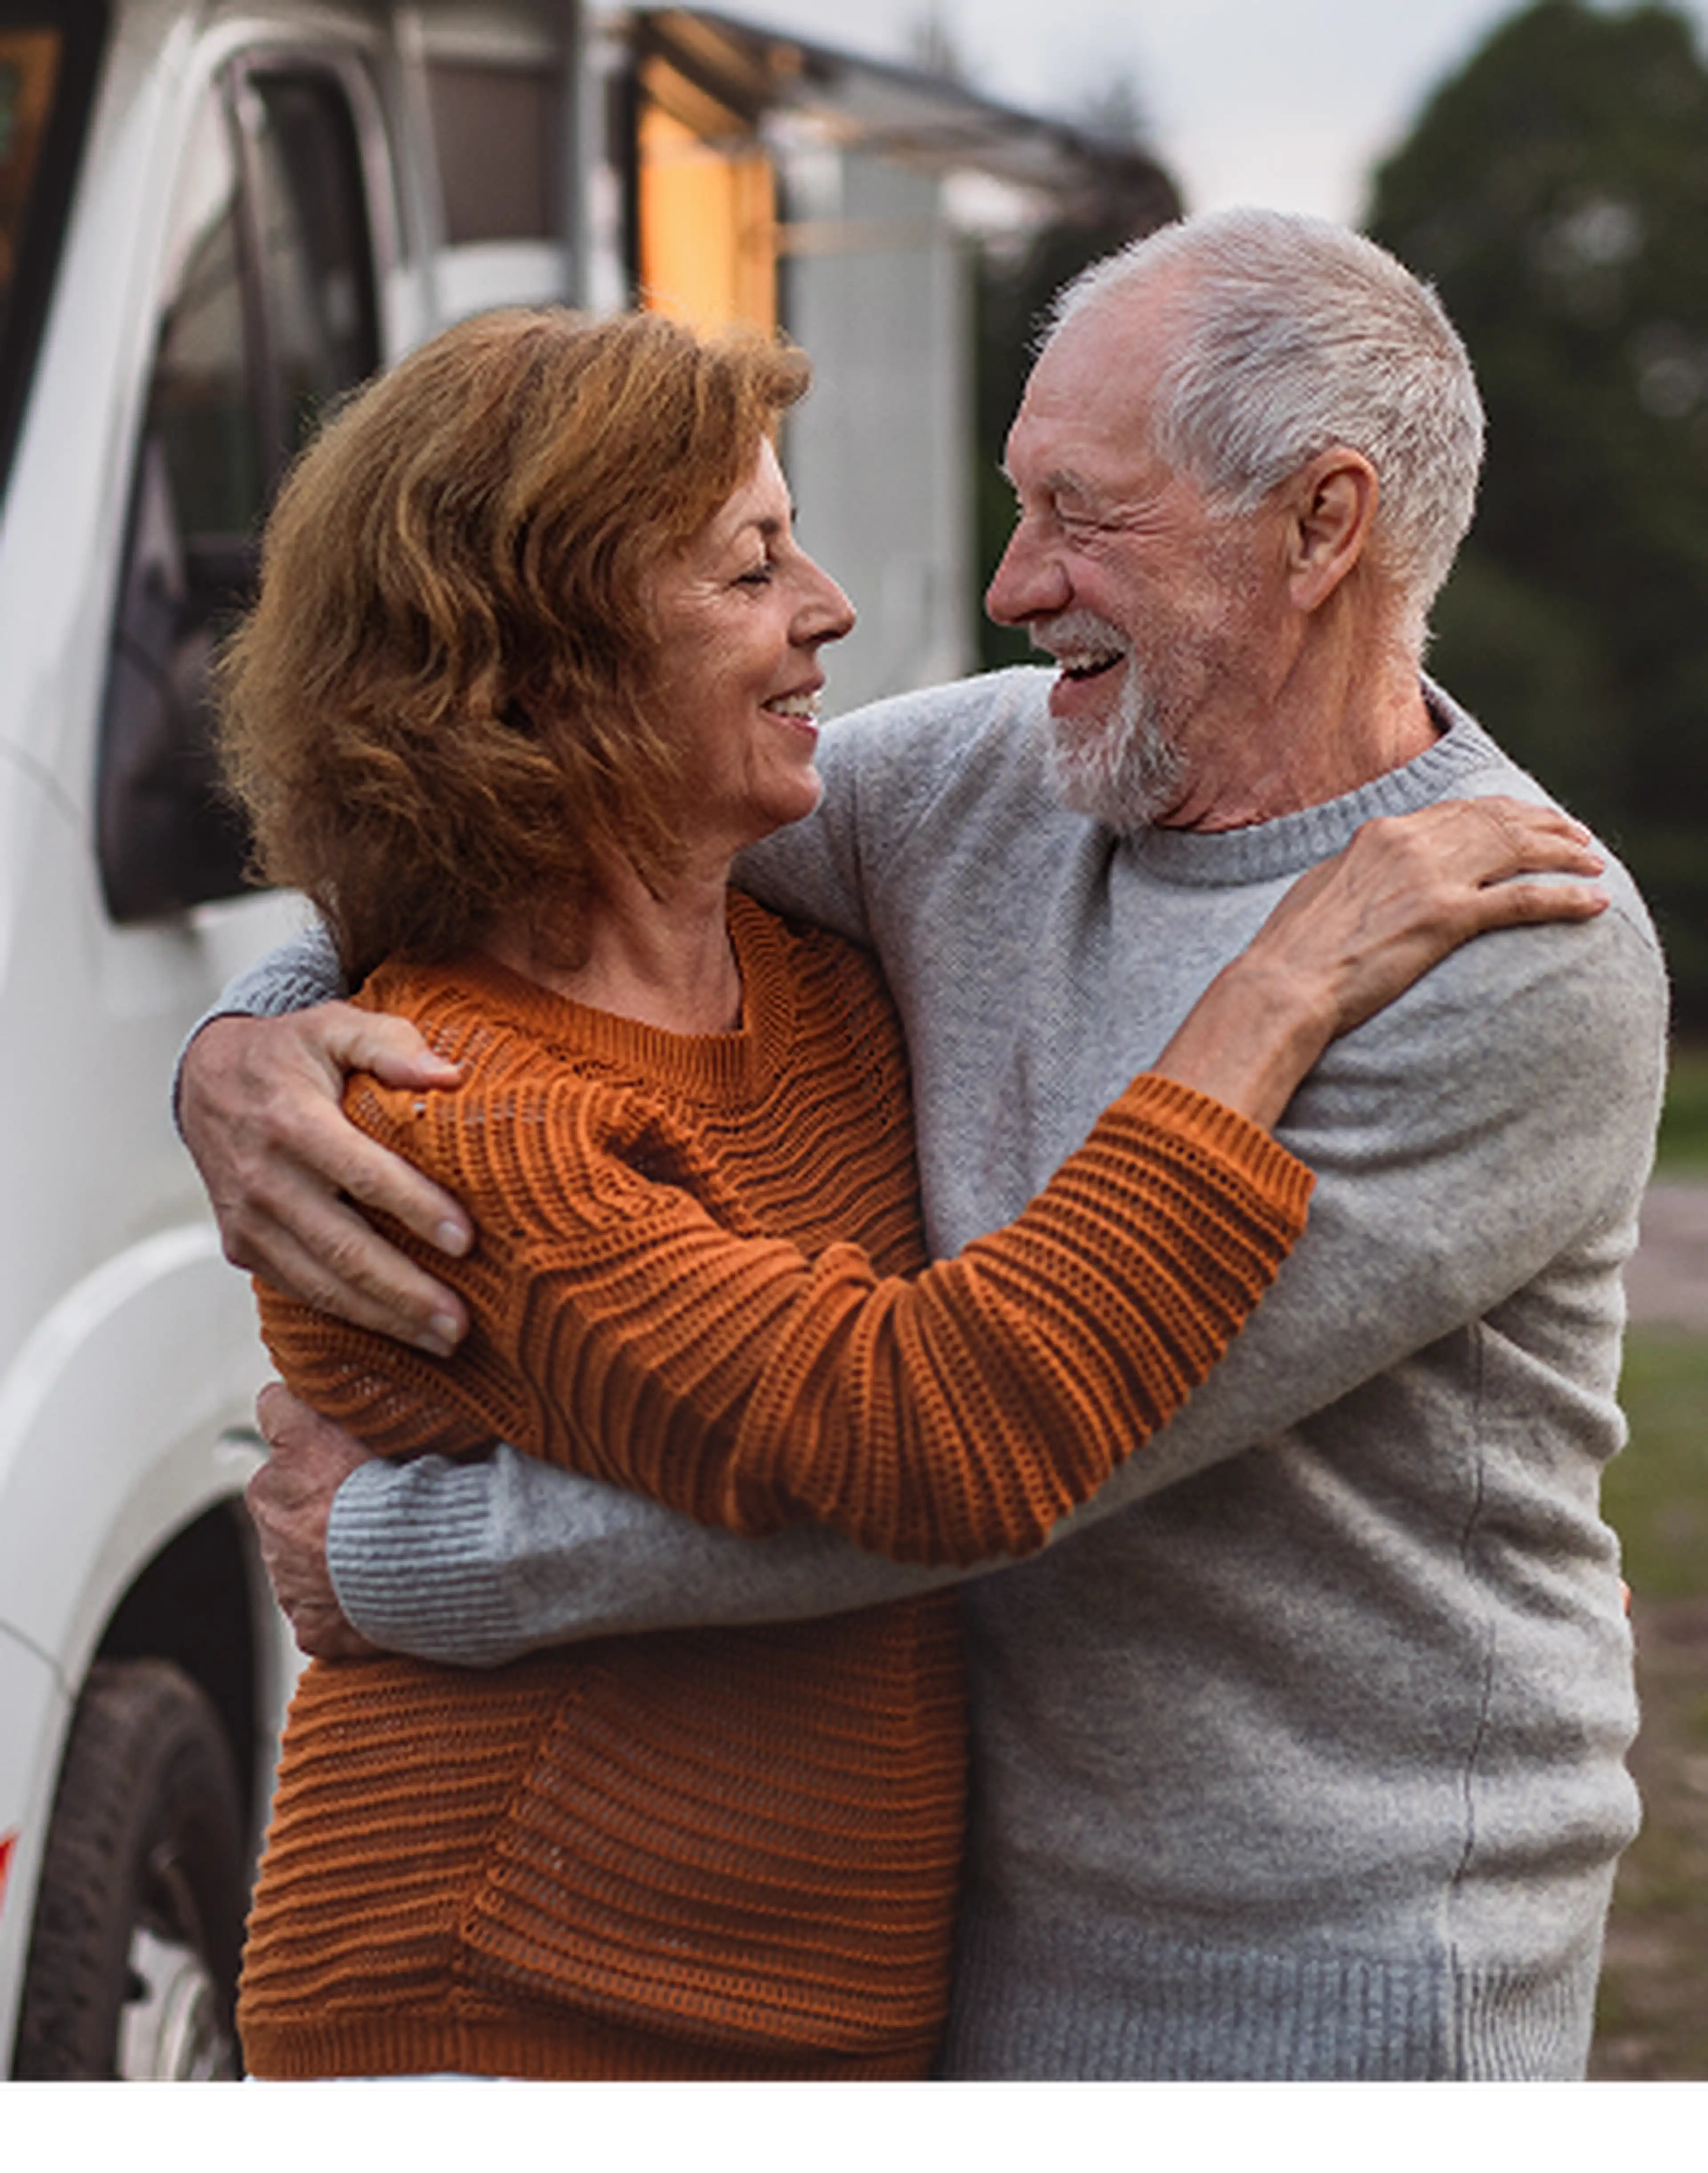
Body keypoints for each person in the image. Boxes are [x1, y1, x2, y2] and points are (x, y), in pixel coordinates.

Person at [184, 212, 1665, 2091]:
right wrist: (239, 1046)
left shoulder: (1498, 944)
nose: (1006, 581)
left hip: (1316, 1972)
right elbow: (519, 818)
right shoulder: (991, 778)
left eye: (1081, 514)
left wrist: (409, 1557)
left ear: (1321, 526)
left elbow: (1007, 1442)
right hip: (929, 1948)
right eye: (1017, 500)